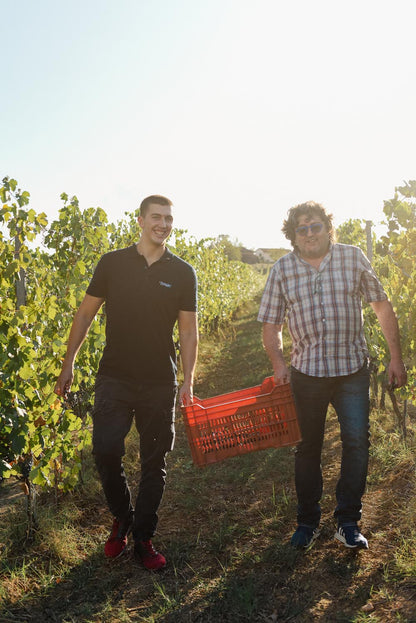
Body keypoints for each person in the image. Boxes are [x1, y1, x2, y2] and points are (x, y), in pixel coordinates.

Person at [54, 195, 198, 570]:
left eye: (168, 218)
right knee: (104, 449)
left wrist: (188, 379)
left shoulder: (182, 272)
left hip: (159, 381)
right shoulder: (113, 263)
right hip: (114, 375)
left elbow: (188, 330)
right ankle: (123, 515)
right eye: (156, 217)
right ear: (140, 220)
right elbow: (85, 314)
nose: (163, 224)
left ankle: (144, 538)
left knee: (155, 461)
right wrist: (68, 363)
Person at [258, 201, 407, 550]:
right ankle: (307, 522)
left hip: (351, 370)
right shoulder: (282, 269)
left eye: (315, 226)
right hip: (307, 373)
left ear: (328, 227)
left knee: (356, 443)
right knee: (307, 448)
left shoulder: (353, 257)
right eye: (302, 229)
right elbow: (271, 324)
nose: (310, 233)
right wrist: (279, 364)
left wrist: (395, 357)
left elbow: (381, 305)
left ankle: (348, 521)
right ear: (293, 235)